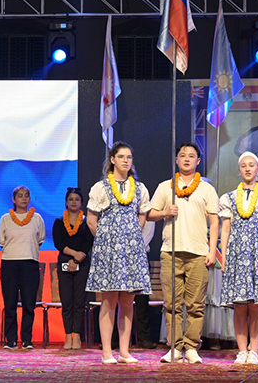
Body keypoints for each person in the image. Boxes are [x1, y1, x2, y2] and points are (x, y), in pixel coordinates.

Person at [147, 142, 220, 364]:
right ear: (176, 160)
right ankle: (175, 347)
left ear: (198, 161)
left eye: (191, 156)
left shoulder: (206, 189)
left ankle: (192, 346)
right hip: (171, 251)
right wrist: (165, 212)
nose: (186, 159)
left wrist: (212, 251)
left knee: (196, 304)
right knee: (172, 304)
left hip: (198, 252)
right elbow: (150, 214)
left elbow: (214, 222)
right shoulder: (165, 187)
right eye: (182, 155)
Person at [86, 142, 152, 365]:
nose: (126, 160)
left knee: (127, 300)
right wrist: (106, 241)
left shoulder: (140, 188)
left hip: (131, 250)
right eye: (122, 156)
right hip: (109, 250)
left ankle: (124, 351)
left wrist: (131, 237)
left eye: (129, 157)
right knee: (109, 300)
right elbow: (91, 220)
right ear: (112, 159)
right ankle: (107, 351)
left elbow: (142, 215)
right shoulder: (101, 187)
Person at [219, 151, 258, 366]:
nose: (247, 168)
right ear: (239, 170)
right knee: (239, 306)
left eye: (251, 165)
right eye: (244, 165)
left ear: (257, 169)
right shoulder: (228, 198)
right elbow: (225, 230)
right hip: (237, 255)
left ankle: (254, 350)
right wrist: (224, 257)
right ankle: (241, 350)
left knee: (256, 305)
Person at [0, 186, 45, 350]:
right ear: (13, 199)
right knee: (10, 303)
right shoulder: (5, 219)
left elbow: (40, 239)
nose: (23, 199)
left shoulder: (37, 218)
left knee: (29, 304)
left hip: (30, 263)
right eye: (20, 196)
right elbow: (1, 241)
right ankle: (10, 340)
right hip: (9, 263)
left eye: (26, 196)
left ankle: (27, 339)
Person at [51, 187, 93, 350]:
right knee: (67, 300)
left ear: (81, 202)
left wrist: (77, 258)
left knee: (79, 301)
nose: (74, 202)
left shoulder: (87, 222)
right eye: (71, 199)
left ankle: (78, 336)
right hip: (64, 262)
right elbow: (58, 243)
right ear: (66, 202)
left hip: (82, 262)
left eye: (77, 199)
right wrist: (73, 255)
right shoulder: (59, 222)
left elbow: (88, 241)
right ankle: (68, 335)